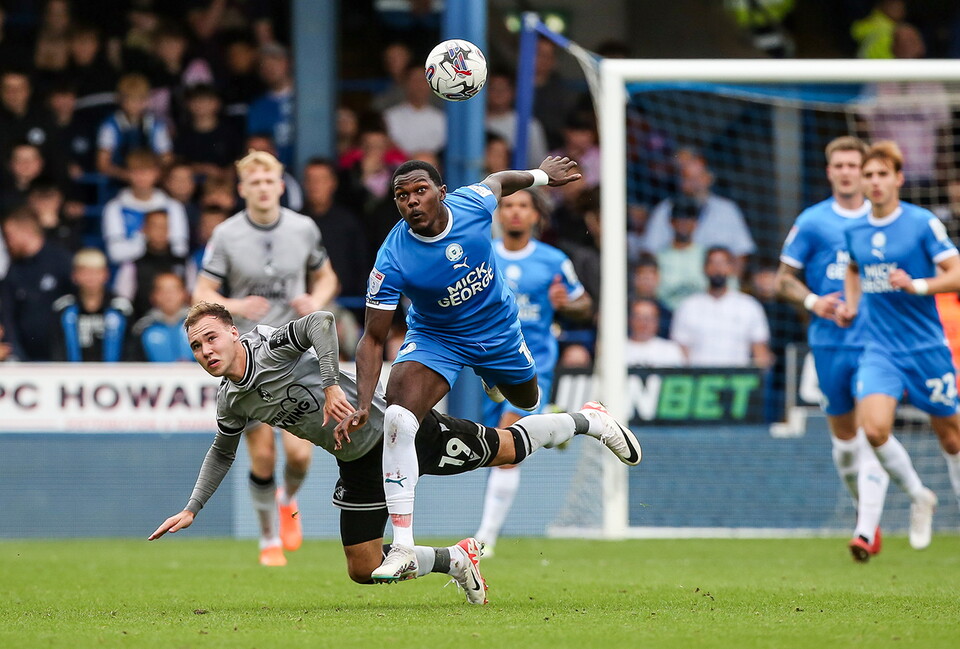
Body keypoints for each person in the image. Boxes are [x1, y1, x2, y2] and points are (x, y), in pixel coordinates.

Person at [149, 302, 640, 605]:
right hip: (357, 464)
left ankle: (588, 419)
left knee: (506, 449)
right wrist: (192, 508)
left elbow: (320, 322)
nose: (206, 350)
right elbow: (222, 450)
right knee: (362, 568)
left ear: (234, 333)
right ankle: (455, 560)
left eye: (211, 337)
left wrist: (329, 383)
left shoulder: (271, 345)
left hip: (400, 431)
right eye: (196, 346)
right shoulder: (232, 399)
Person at [336, 155, 638, 582]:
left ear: (441, 193)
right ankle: (403, 544)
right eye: (401, 196)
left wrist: (539, 177)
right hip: (436, 339)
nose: (411, 202)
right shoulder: (392, 258)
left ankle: (590, 418)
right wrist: (365, 403)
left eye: (420, 190)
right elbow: (371, 338)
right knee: (399, 419)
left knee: (527, 401)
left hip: (498, 332)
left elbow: (498, 180)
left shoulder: (471, 204)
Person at [193, 149, 339, 566]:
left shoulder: (303, 228)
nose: (261, 188)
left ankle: (287, 499)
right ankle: (267, 538)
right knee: (261, 454)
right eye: (253, 182)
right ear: (242, 189)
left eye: (268, 180)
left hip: (292, 353)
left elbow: (327, 275)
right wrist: (235, 304)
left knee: (299, 455)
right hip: (248, 357)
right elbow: (200, 292)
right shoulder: (226, 234)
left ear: (279, 185)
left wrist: (316, 299)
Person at [837, 140, 960, 552]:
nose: (873, 182)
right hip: (881, 349)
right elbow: (854, 269)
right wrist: (851, 306)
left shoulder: (922, 223)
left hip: (926, 346)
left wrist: (918, 284)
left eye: (881, 175)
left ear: (898, 179)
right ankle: (920, 496)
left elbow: (956, 272)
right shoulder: (855, 230)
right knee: (873, 429)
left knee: (952, 440)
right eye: (868, 175)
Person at [776, 135, 891, 561]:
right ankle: (867, 512)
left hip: (877, 342)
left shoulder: (887, 220)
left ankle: (863, 532)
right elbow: (781, 279)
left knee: (874, 431)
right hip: (828, 343)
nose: (846, 172)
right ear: (829, 172)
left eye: (852, 165)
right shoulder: (813, 222)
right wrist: (814, 301)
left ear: (865, 171)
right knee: (845, 444)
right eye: (838, 165)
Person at [474, 187, 592, 556]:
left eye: (523, 206)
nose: (514, 212)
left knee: (507, 441)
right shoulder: (482, 254)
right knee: (495, 447)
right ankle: (555, 425)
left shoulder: (553, 260)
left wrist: (568, 304)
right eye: (507, 205)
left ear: (536, 215)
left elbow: (584, 304)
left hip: (532, 363)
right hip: (488, 362)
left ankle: (484, 539)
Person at [642, 148, 756, 275]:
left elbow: (742, 253)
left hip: (715, 288)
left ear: (709, 178)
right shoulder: (664, 210)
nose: (695, 184)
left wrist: (729, 287)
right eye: (688, 178)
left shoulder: (727, 210)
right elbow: (649, 252)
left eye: (699, 178)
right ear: (680, 182)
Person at [671, 246, 772, 367]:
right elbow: (680, 351)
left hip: (738, 380)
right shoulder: (688, 306)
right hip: (698, 380)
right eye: (712, 263)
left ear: (731, 268)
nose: (717, 268)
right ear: (704, 268)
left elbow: (760, 352)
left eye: (722, 263)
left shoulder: (749, 306)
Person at [0, 207, 73, 361]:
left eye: (9, 235)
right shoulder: (13, 270)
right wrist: (15, 353)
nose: (7, 243)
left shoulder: (61, 261)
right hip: (25, 358)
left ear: (26, 231)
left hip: (62, 356)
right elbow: (8, 314)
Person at [51, 247, 134, 362]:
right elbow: (56, 347)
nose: (91, 278)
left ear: (106, 274)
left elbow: (130, 347)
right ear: (74, 275)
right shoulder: (63, 307)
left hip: (115, 375)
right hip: (71, 375)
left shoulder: (122, 308)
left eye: (96, 272)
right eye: (85, 272)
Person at [129, 272, 193, 363]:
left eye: (174, 290)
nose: (168, 295)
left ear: (184, 294)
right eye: (162, 290)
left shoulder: (199, 323)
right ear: (153, 296)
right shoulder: (142, 328)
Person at [625, 298, 685, 367]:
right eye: (639, 317)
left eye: (649, 318)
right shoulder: (616, 349)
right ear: (629, 319)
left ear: (657, 321)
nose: (644, 323)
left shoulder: (671, 349)